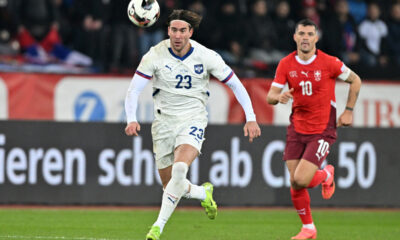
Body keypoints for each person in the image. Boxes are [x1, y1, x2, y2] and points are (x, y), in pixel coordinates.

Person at [124, 9, 261, 240]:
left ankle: (157, 227)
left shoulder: (206, 56)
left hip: (193, 119)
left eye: (182, 30)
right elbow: (133, 90)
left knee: (180, 169)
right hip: (163, 124)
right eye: (174, 30)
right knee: (171, 185)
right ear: (168, 31)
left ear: (190, 32)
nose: (177, 35)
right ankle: (201, 192)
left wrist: (251, 117)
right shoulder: (154, 55)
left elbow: (236, 84)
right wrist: (131, 118)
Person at [267, 19, 361, 239]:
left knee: (299, 180)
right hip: (296, 128)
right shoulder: (286, 64)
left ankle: (326, 173)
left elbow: (356, 80)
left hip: (322, 129)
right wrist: (278, 97)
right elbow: (270, 96)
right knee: (295, 182)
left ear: (316, 38)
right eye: (302, 33)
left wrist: (348, 111)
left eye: (310, 34)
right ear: (295, 37)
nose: (305, 38)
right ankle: (308, 228)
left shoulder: (330, 63)